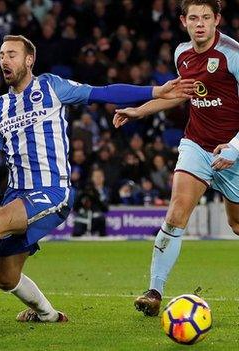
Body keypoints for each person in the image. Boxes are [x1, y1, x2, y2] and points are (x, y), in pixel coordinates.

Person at [0, 34, 193, 327]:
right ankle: (49, 315)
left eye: (11, 54)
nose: (4, 61)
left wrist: (155, 91)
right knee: (6, 278)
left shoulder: (51, 87)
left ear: (29, 59)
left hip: (51, 191)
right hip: (16, 197)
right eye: (1, 55)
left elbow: (103, 92)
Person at [113, 0, 239, 317]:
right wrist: (138, 111)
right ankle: (154, 291)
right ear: (183, 21)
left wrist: (235, 148)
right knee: (176, 212)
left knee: (236, 224)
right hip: (196, 145)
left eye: (206, 18)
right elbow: (181, 94)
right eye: (193, 18)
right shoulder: (182, 54)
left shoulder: (233, 54)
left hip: (233, 149)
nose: (200, 24)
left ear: (217, 20)